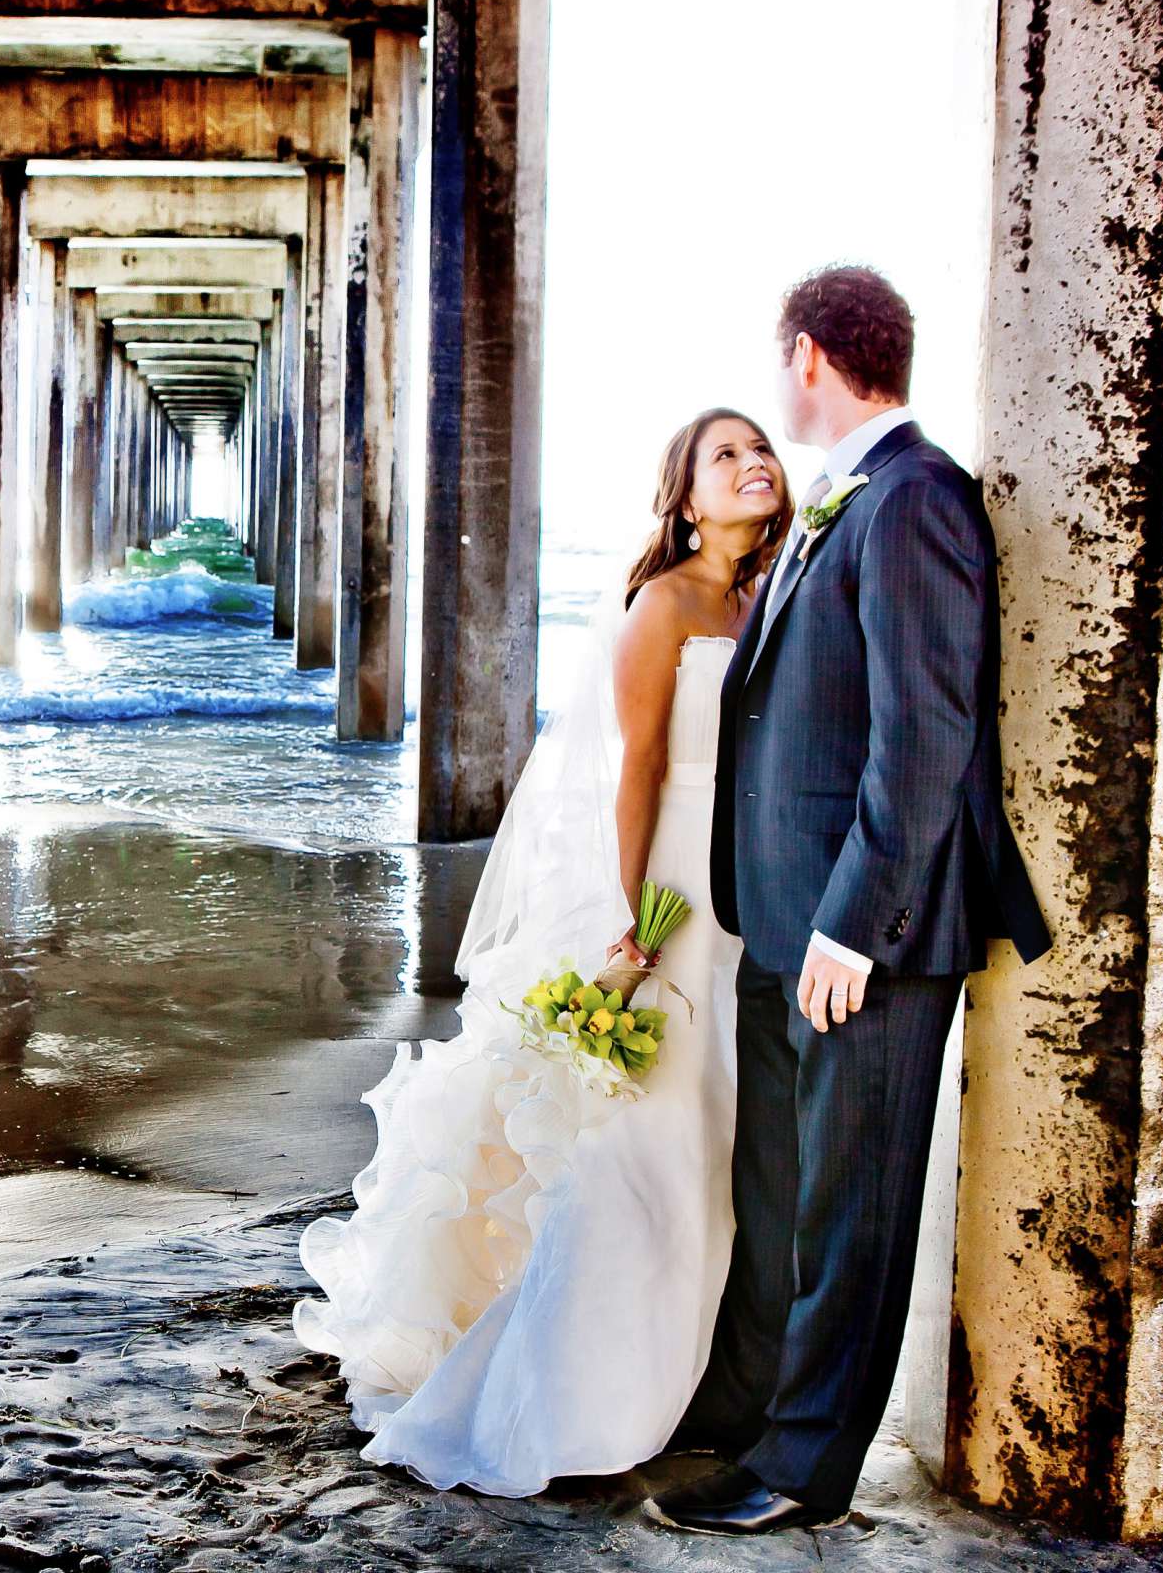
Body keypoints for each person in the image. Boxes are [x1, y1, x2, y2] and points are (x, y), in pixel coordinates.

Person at [291, 407, 790, 1495]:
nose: (754, 464)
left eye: (763, 449)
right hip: (676, 890)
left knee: (726, 1132)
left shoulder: (780, 591)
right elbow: (639, 766)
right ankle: (584, 1393)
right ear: (686, 494)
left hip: (762, 885)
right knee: (649, 1132)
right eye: (726, 454)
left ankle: (707, 1377)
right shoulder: (663, 604)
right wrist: (635, 913)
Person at [647, 265, 1051, 1535]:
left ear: (811, 356)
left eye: (782, 365)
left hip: (862, 937)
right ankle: (750, 1414)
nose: (778, 388)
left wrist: (850, 927)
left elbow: (924, 737)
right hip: (780, 923)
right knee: (779, 1191)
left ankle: (801, 1470)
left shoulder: (917, 497)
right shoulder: (842, 503)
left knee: (848, 1206)